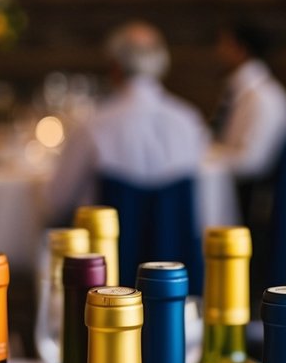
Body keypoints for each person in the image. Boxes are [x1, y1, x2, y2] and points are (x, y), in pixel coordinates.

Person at [47, 21, 209, 225]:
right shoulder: (190, 121)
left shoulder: (93, 126)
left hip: (111, 253)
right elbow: (206, 209)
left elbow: (57, 200)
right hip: (178, 254)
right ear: (162, 64)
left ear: (115, 66)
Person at [210, 22, 286, 188]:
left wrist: (203, 158)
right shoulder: (238, 91)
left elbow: (251, 163)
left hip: (249, 195)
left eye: (224, 44)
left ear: (240, 49)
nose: (218, 51)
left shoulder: (262, 97)